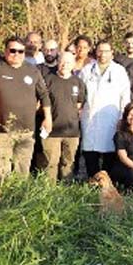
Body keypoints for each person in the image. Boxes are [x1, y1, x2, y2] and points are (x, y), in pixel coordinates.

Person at [0, 36, 52, 177]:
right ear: (5, 50)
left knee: (22, 171)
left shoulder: (32, 70)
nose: (16, 54)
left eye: (21, 51)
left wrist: (47, 118)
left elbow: (44, 95)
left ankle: (19, 197)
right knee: (1, 172)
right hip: (2, 130)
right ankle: (2, 197)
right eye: (13, 50)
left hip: (26, 131)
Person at [79, 39, 131, 177]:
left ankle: (107, 184)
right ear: (96, 52)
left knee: (109, 151)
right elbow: (79, 95)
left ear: (112, 53)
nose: (103, 54)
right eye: (100, 51)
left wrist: (122, 118)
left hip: (111, 119)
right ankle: (92, 182)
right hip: (89, 118)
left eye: (106, 51)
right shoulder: (86, 70)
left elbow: (125, 98)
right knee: (90, 152)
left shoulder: (119, 71)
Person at [42, 51, 86, 181]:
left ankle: (66, 191)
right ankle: (50, 192)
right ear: (58, 62)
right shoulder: (48, 80)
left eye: (68, 62)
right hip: (51, 130)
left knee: (68, 163)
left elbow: (79, 105)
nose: (64, 65)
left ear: (73, 64)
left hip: (72, 131)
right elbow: (41, 103)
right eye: (62, 61)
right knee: (51, 163)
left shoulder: (78, 82)